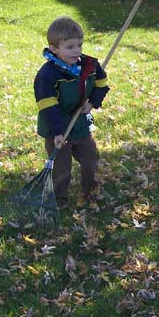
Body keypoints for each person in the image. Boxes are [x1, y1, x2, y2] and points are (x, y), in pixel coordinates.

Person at [34, 16, 110, 209]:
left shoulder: (89, 65)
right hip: (56, 126)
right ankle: (60, 198)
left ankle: (90, 191)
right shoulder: (48, 74)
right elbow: (48, 105)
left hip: (81, 124)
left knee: (90, 159)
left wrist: (92, 103)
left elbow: (101, 85)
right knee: (61, 168)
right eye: (69, 47)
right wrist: (58, 132)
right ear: (54, 49)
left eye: (79, 45)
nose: (76, 51)